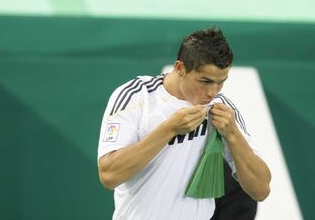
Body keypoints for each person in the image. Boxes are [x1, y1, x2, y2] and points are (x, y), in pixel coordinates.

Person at [97, 28, 271, 220]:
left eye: (221, 82)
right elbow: (109, 175)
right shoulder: (137, 96)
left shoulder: (221, 108)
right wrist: (170, 128)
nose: (213, 92)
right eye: (205, 81)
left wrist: (233, 135)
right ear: (180, 68)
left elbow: (261, 189)